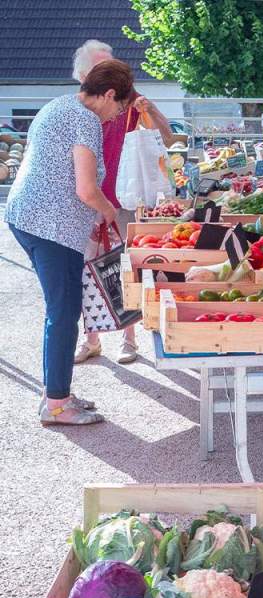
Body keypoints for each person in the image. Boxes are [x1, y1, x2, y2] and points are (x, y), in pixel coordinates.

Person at [4, 60, 135, 425]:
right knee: (63, 313)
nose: (116, 115)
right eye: (119, 106)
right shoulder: (86, 120)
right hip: (52, 226)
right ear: (109, 94)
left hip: (28, 216)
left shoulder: (58, 104)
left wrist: (92, 216)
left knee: (60, 309)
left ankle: (55, 391)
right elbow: (86, 188)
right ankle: (57, 403)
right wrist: (107, 211)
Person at [72, 40, 175, 365]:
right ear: (84, 75)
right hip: (86, 197)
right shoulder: (76, 107)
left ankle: (129, 340)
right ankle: (91, 339)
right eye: (101, 68)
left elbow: (167, 138)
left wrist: (150, 110)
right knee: (87, 270)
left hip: (124, 197)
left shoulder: (130, 100)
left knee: (125, 269)